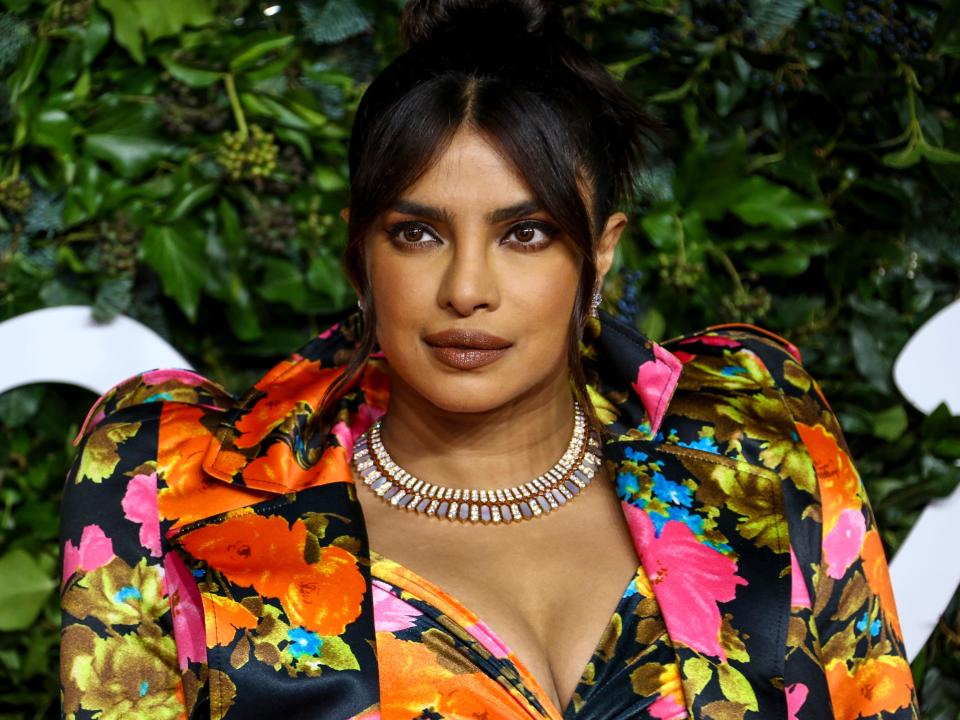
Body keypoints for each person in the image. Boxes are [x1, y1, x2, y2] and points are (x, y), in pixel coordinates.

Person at [59, 1, 920, 718]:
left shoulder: (754, 432)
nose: (467, 287)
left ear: (602, 252)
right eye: (417, 233)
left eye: (526, 232)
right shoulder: (173, 483)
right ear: (360, 252)